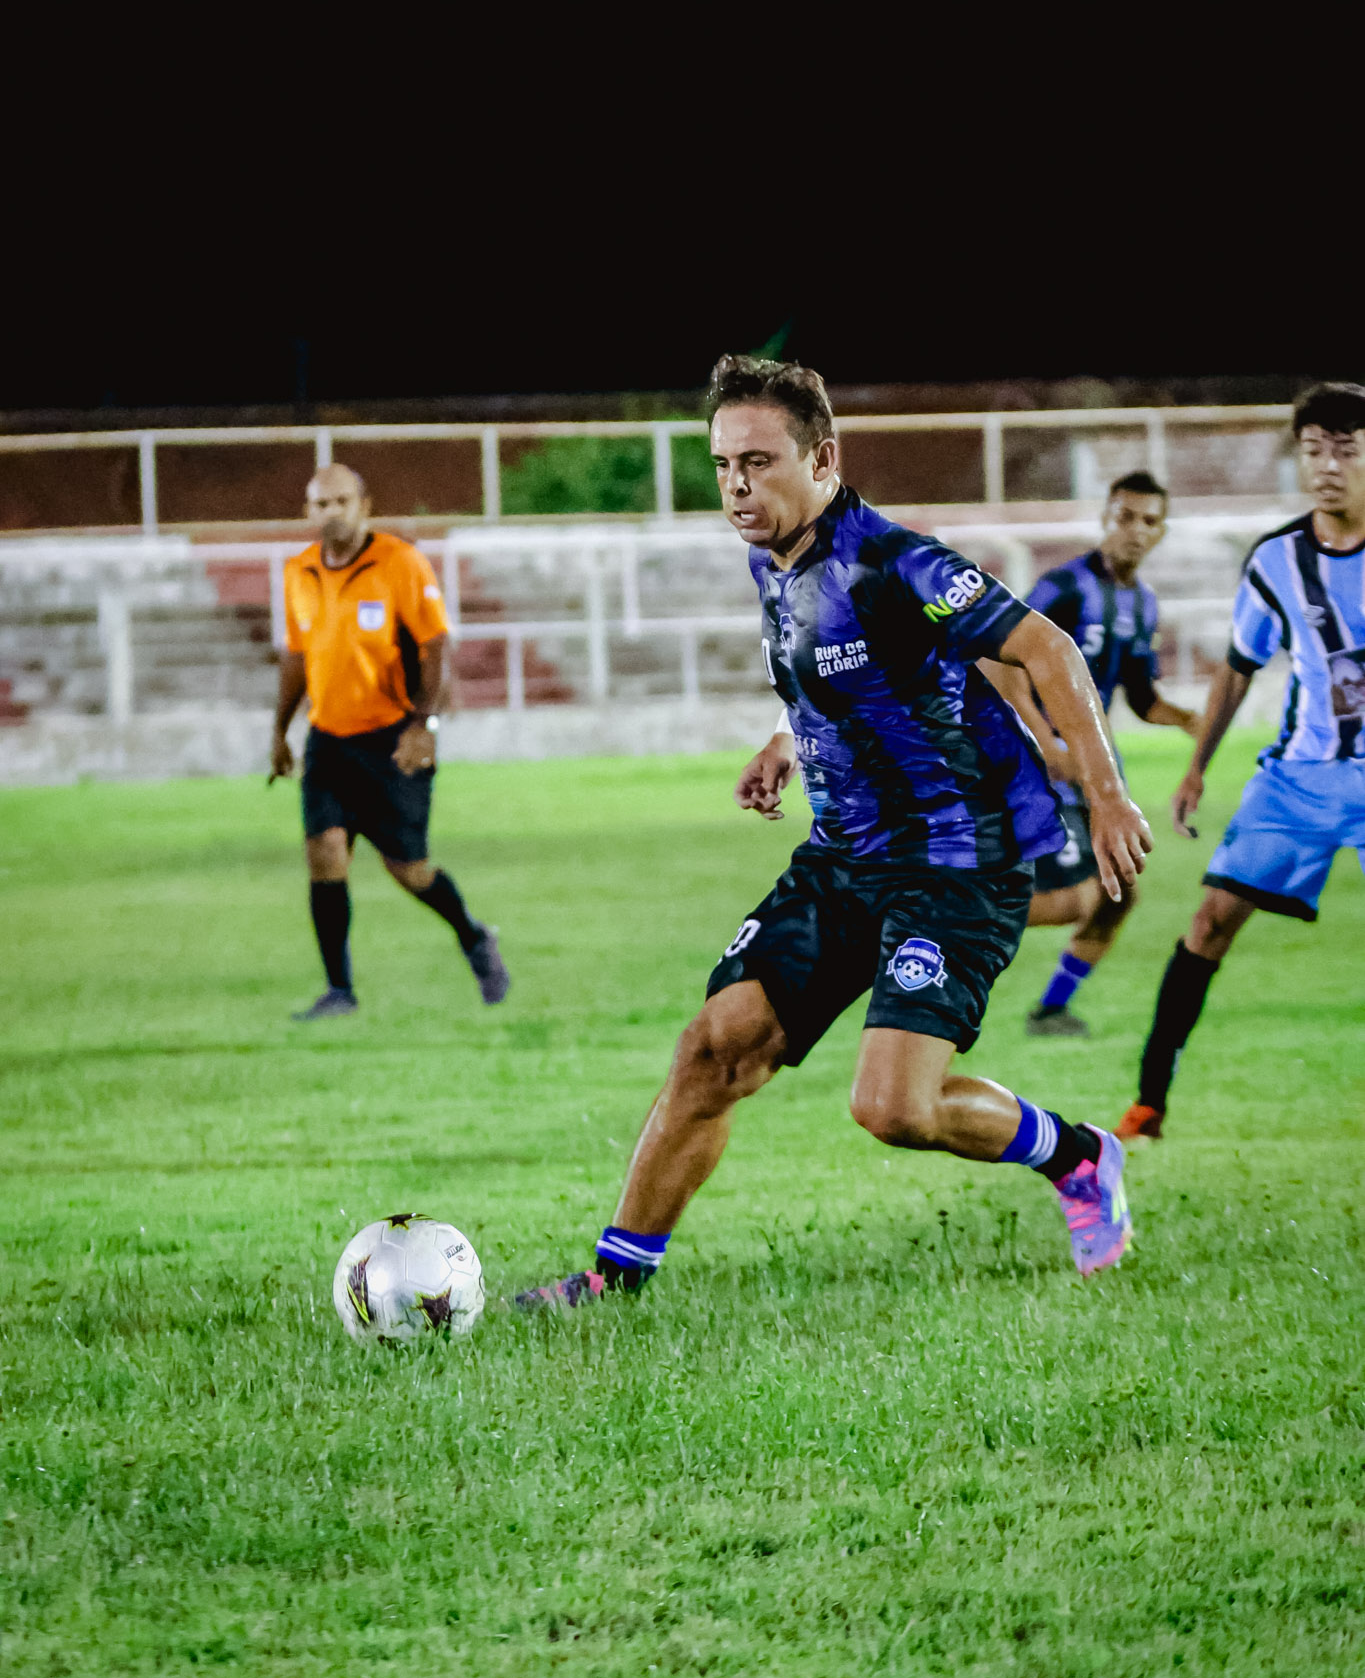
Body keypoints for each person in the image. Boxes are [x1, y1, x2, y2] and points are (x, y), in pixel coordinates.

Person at [518, 356, 1152, 1311]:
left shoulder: (895, 561)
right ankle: (614, 1278)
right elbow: (832, 671)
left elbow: (1045, 646)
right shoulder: (770, 557)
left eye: (758, 463)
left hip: (955, 864)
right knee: (716, 1047)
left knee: (892, 1109)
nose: (736, 487)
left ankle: (1078, 1156)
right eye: (723, 465)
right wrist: (784, 741)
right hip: (844, 856)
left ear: (821, 459)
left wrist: (1105, 796)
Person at [1117, 381, 1365, 1140]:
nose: (1327, 466)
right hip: (1299, 779)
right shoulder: (1277, 561)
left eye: (1346, 450)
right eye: (1313, 450)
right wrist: (1196, 767)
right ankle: (1148, 1104)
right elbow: (1236, 667)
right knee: (1209, 919)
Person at [270, 463, 509, 1019]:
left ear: (365, 507)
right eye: (321, 504)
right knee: (325, 853)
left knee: (409, 870)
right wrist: (279, 731)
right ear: (308, 511)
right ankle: (339, 991)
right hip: (328, 739)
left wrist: (425, 725)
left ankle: (473, 936)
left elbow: (435, 646)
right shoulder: (299, 571)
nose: (332, 512)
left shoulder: (400, 563)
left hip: (392, 738)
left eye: (342, 502)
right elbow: (297, 656)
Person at [980, 473, 1201, 1038]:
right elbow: (999, 658)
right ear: (1105, 518)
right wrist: (1044, 741)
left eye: (1149, 521)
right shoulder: (1066, 587)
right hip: (1038, 767)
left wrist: (1188, 720)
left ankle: (1051, 1010)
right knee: (1075, 898)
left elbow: (1141, 697)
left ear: (1161, 532)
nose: (1135, 530)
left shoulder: (1142, 604)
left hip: (1089, 768)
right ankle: (945, 914)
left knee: (1118, 893)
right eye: (1125, 517)